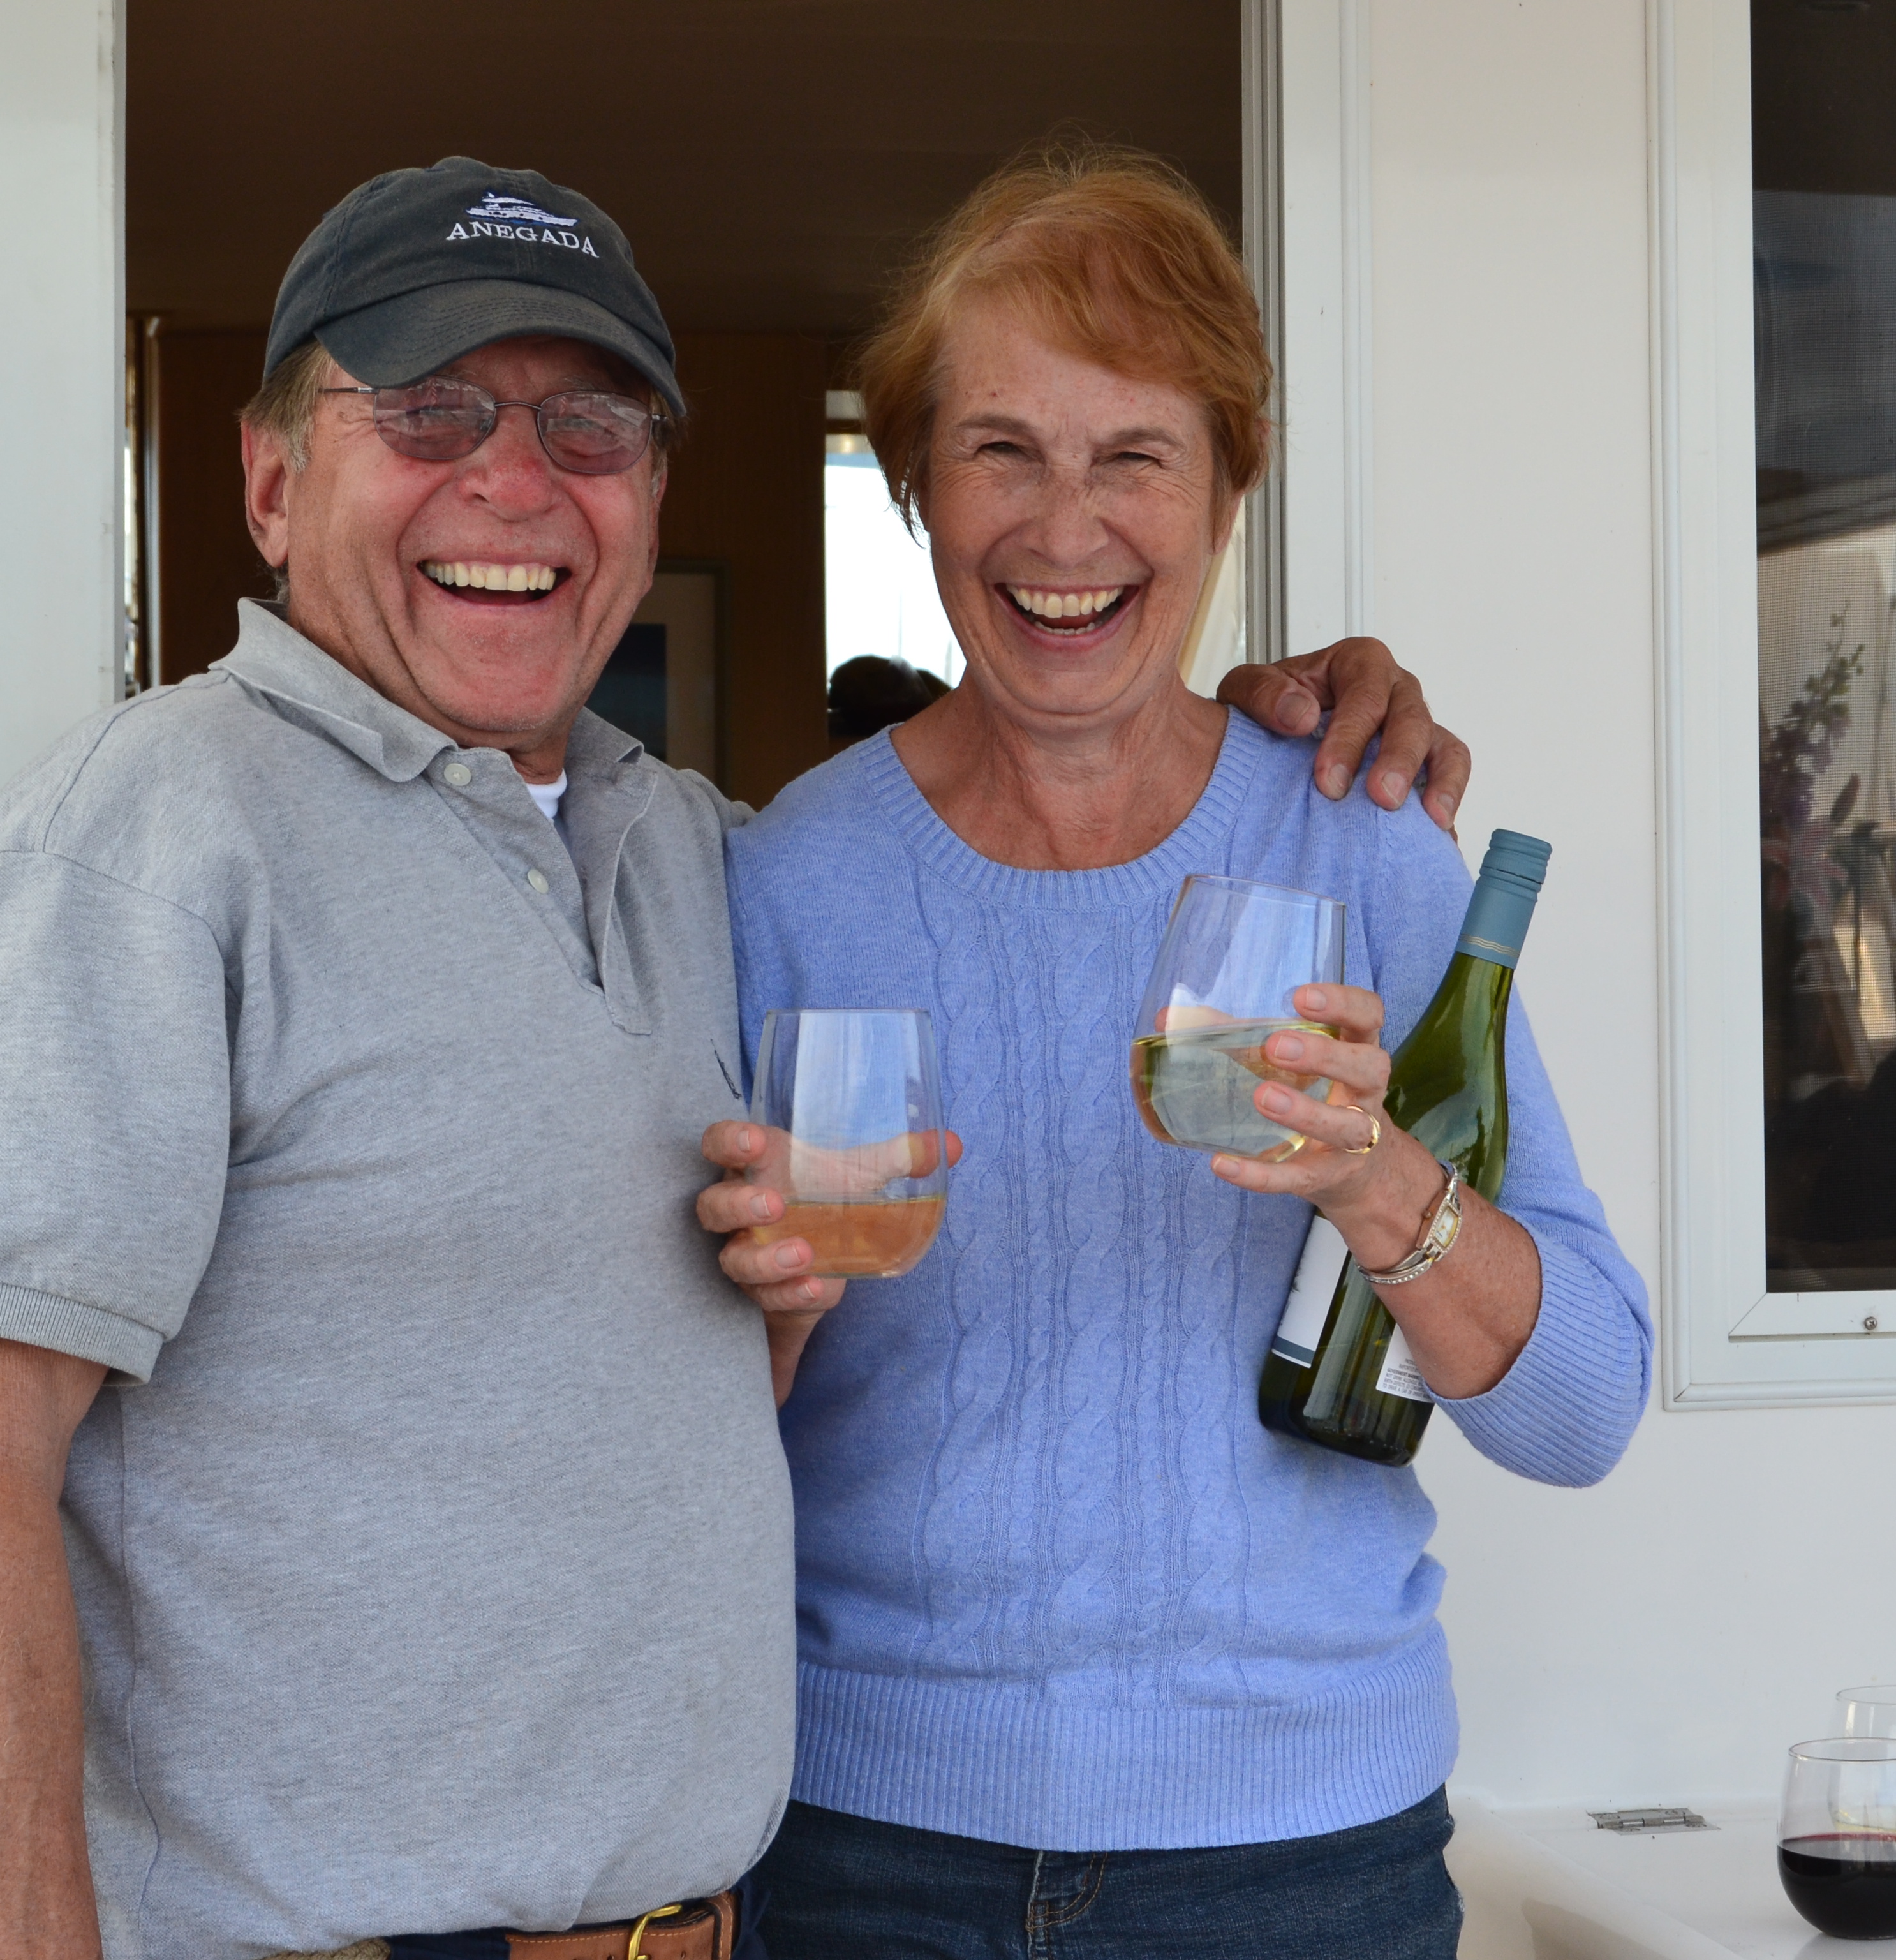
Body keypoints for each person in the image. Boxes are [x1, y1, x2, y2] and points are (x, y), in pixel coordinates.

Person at [0, 155, 1470, 1960]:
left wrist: (1262, 722)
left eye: (589, 424)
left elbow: (605, 1409)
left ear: (651, 492)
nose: (515, 480)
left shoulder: (691, 855)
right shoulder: (138, 850)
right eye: (430, 409)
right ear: (275, 480)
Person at [697, 145, 1652, 1957]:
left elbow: (1583, 1408)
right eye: (1001, 450)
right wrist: (768, 1316)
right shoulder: (781, 882)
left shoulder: (1362, 840)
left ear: (1228, 495)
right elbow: (657, 1436)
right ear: (914, 485)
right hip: (868, 1851)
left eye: (1136, 455)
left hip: (1305, 1867)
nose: (1066, 533)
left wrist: (1380, 1179)